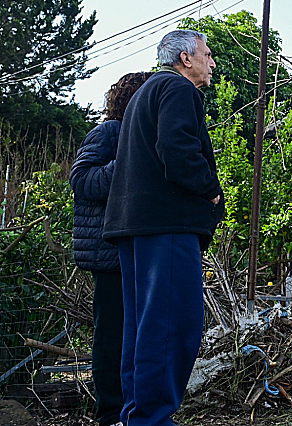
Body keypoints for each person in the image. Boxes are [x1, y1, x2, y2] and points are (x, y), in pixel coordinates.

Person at [103, 30, 224, 426]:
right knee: (173, 325)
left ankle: (135, 415)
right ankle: (150, 420)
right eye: (206, 55)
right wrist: (210, 191)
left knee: (142, 327)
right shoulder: (178, 89)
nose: (211, 63)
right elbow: (177, 151)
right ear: (186, 58)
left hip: (135, 226)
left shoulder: (143, 94)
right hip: (167, 225)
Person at [71, 72, 152, 426]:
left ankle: (132, 409)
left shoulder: (145, 136)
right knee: (111, 336)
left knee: (135, 335)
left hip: (136, 251)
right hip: (108, 254)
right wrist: (127, 165)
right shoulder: (109, 132)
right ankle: (109, 414)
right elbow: (82, 180)